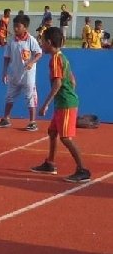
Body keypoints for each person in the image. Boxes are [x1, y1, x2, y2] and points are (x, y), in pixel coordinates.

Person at [30, 27, 91, 183]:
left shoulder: (55, 59)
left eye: (42, 41)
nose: (41, 44)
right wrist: (69, 91)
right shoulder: (63, 57)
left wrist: (45, 105)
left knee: (65, 138)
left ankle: (82, 169)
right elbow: (72, 80)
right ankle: (50, 163)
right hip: (64, 102)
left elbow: (57, 83)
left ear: (49, 43)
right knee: (52, 132)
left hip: (65, 104)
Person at [0, 14, 42, 132]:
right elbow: (6, 57)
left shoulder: (31, 40)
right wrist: (4, 72)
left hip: (28, 76)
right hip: (14, 75)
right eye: (14, 26)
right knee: (9, 97)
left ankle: (32, 121)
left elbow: (38, 53)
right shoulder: (11, 41)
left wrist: (31, 62)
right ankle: (6, 118)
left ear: (25, 28)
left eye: (18, 26)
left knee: (30, 97)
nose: (15, 29)